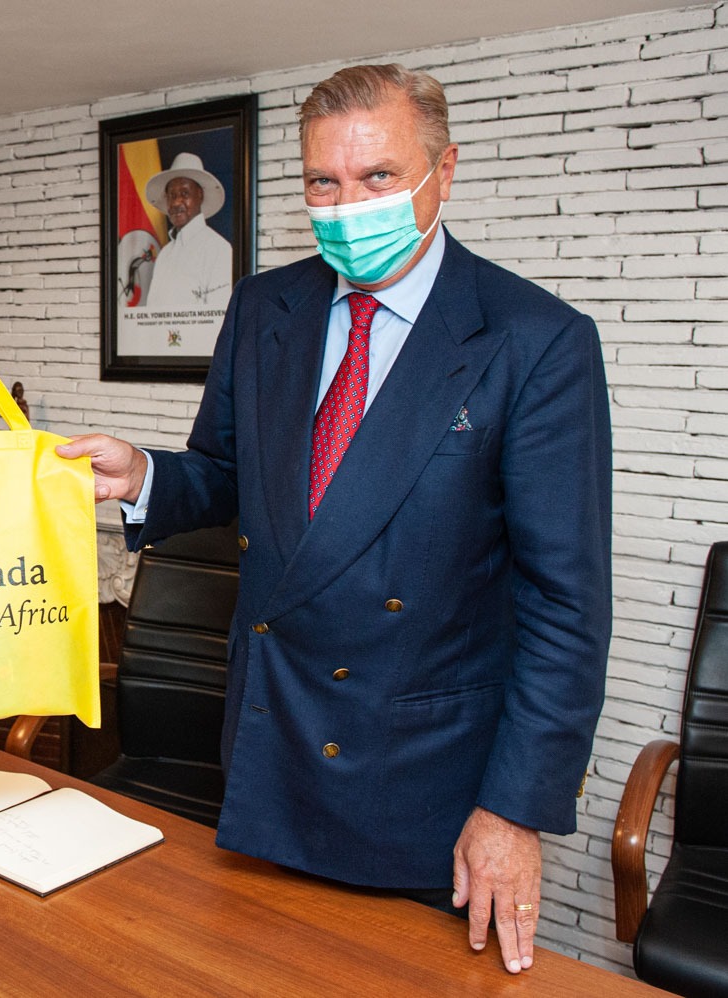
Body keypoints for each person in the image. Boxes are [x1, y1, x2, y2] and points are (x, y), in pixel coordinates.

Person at [62, 64, 611, 975]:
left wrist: (514, 812)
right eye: (324, 182)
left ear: (443, 171)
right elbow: (231, 475)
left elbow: (566, 606)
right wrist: (145, 475)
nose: (348, 207)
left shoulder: (535, 340)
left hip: (422, 776)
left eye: (378, 177)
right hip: (270, 741)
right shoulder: (263, 307)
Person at [143, 151, 235, 309]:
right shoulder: (165, 254)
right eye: (171, 195)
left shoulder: (218, 249)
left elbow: (219, 315)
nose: (176, 202)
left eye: (185, 193)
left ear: (200, 195)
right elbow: (152, 312)